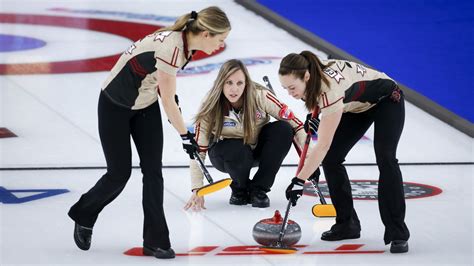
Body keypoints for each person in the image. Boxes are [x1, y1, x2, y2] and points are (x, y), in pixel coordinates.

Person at [67, 6, 231, 259]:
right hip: (115, 105)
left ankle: (156, 241)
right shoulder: (173, 47)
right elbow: (167, 100)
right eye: (221, 40)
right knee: (118, 174)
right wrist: (185, 136)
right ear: (206, 34)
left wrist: (181, 127)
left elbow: (165, 91)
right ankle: (84, 212)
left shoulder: (187, 46)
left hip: (145, 105)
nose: (222, 45)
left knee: (153, 172)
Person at [280, 51, 410, 253]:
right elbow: (324, 99)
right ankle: (346, 224)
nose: (290, 93)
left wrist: (299, 180)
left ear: (306, 76)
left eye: (292, 88)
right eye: (285, 89)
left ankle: (397, 233)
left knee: (386, 158)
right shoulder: (311, 70)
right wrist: (317, 112)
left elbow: (322, 144)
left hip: (387, 99)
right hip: (357, 107)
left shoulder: (328, 89)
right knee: (332, 159)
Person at [183, 59, 308, 211]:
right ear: (220, 82)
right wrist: (197, 189)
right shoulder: (210, 105)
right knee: (237, 147)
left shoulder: (260, 96)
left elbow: (297, 125)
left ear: (246, 83)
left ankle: (258, 189)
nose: (234, 89)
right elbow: (198, 150)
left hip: (255, 149)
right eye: (229, 82)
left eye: (239, 83)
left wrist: (309, 155)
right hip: (226, 155)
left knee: (284, 129)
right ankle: (239, 189)